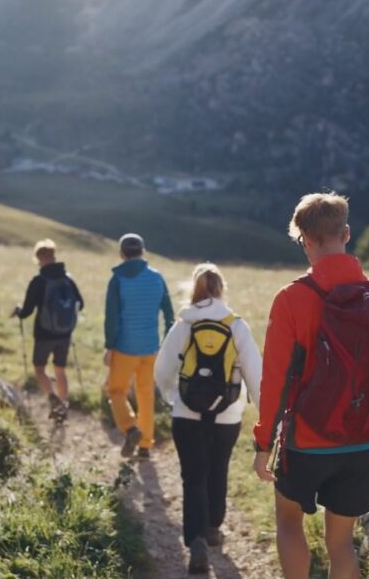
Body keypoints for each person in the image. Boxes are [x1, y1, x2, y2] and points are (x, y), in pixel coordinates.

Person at [252, 193, 369, 579]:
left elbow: (274, 380)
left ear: (304, 239)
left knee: (289, 523)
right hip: (361, 440)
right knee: (341, 545)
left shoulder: (292, 298)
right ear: (346, 233)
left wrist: (263, 443)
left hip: (305, 441)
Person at [155, 263, 262, 574]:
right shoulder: (236, 325)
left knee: (193, 476)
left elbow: (162, 370)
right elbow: (256, 372)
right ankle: (214, 526)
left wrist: (170, 396)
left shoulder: (184, 324)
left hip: (186, 413)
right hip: (227, 416)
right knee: (219, 469)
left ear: (195, 290)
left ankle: (196, 539)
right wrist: (262, 411)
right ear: (221, 290)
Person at [104, 233, 174, 458]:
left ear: (121, 253)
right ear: (143, 251)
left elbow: (111, 318)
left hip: (125, 348)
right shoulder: (156, 277)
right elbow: (169, 313)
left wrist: (109, 347)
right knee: (145, 395)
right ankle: (145, 445)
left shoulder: (117, 280)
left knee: (116, 390)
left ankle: (130, 428)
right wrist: (165, 341)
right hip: (151, 348)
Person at [13, 239, 83, 422]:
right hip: (65, 333)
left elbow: (27, 312)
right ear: (54, 256)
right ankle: (64, 404)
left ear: (38, 258)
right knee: (60, 369)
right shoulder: (68, 278)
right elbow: (80, 304)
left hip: (44, 334)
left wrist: (18, 311)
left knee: (39, 368)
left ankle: (53, 399)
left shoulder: (39, 281)